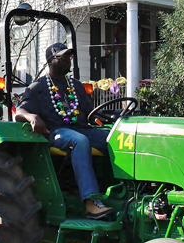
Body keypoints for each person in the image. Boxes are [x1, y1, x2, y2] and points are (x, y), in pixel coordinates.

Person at [16, 43, 112, 219]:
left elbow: (90, 114)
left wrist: (106, 118)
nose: (69, 60)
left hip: (81, 128)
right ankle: (91, 201)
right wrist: (32, 117)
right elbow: (20, 111)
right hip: (56, 132)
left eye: (70, 57)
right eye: (64, 57)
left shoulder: (76, 86)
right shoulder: (38, 87)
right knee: (79, 141)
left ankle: (118, 193)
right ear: (51, 61)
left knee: (112, 138)